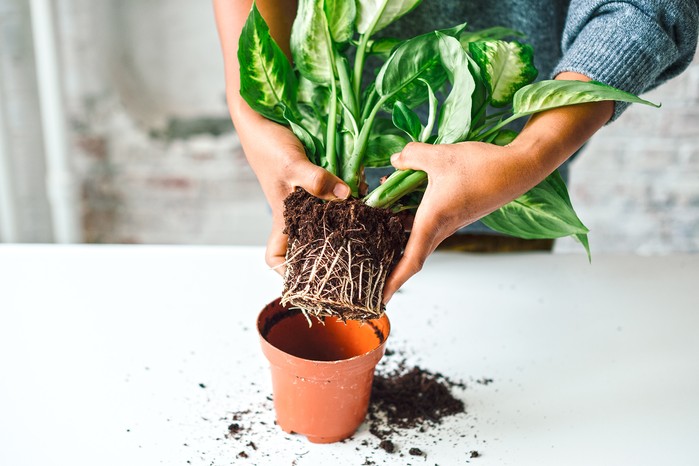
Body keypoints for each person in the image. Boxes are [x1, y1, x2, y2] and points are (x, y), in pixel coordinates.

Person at [213, 0, 698, 303]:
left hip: (496, 185)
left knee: (504, 319)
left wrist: (528, 153)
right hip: (319, 180)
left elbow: (646, 5)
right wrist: (254, 115)